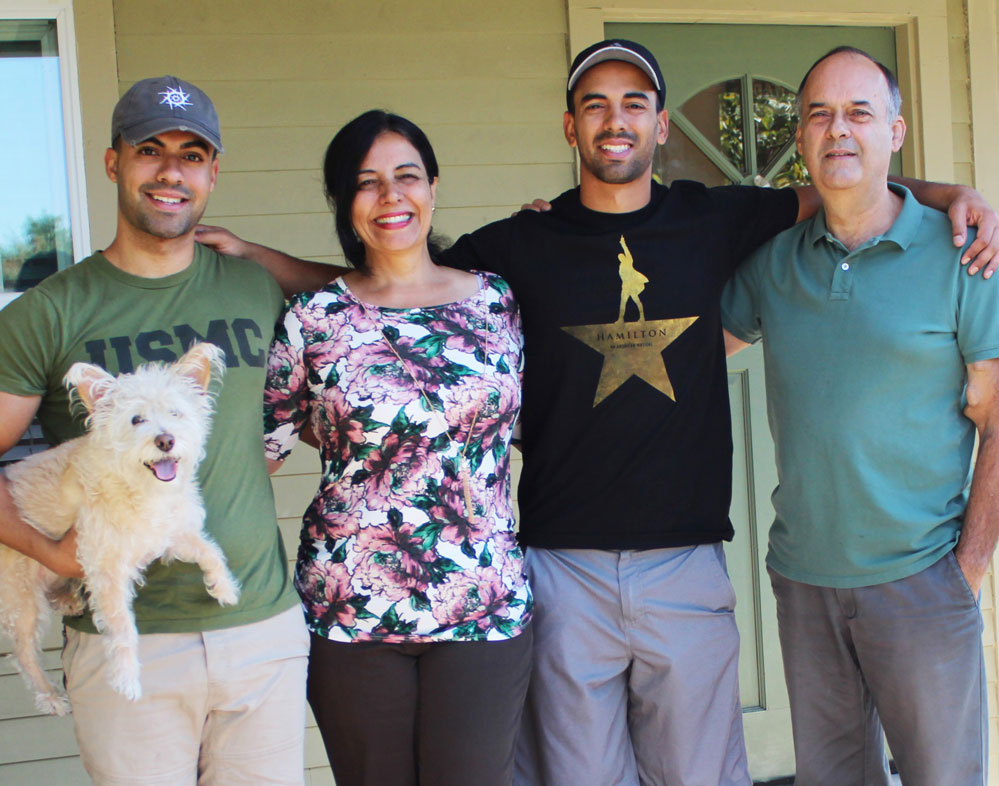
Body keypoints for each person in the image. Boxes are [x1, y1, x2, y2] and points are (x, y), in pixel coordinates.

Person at [197, 39, 999, 786]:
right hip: (559, 567)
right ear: (569, 124)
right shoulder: (516, 246)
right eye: (594, 102)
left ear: (656, 118)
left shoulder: (716, 218)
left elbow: (844, 180)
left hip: (684, 564)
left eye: (634, 100)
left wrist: (949, 194)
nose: (615, 118)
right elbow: (390, 284)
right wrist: (262, 261)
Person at [0, 76, 308, 786]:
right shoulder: (51, 313)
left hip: (260, 629)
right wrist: (47, 548)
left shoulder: (253, 287)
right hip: (127, 642)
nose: (171, 171)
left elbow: (360, 315)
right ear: (113, 162)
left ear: (213, 172)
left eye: (192, 154)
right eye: (151, 150)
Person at [722, 47, 999, 786]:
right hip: (804, 581)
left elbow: (998, 420)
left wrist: (966, 568)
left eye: (857, 113)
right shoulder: (774, 263)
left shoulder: (960, 257)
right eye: (817, 114)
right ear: (801, 137)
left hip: (921, 580)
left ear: (895, 131)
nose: (835, 130)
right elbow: (676, 357)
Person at [261, 110, 532, 786]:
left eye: (406, 177)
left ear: (433, 187)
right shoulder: (313, 318)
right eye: (367, 183)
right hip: (352, 606)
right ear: (343, 204)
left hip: (481, 602)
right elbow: (257, 452)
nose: (390, 197)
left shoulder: (498, 302)